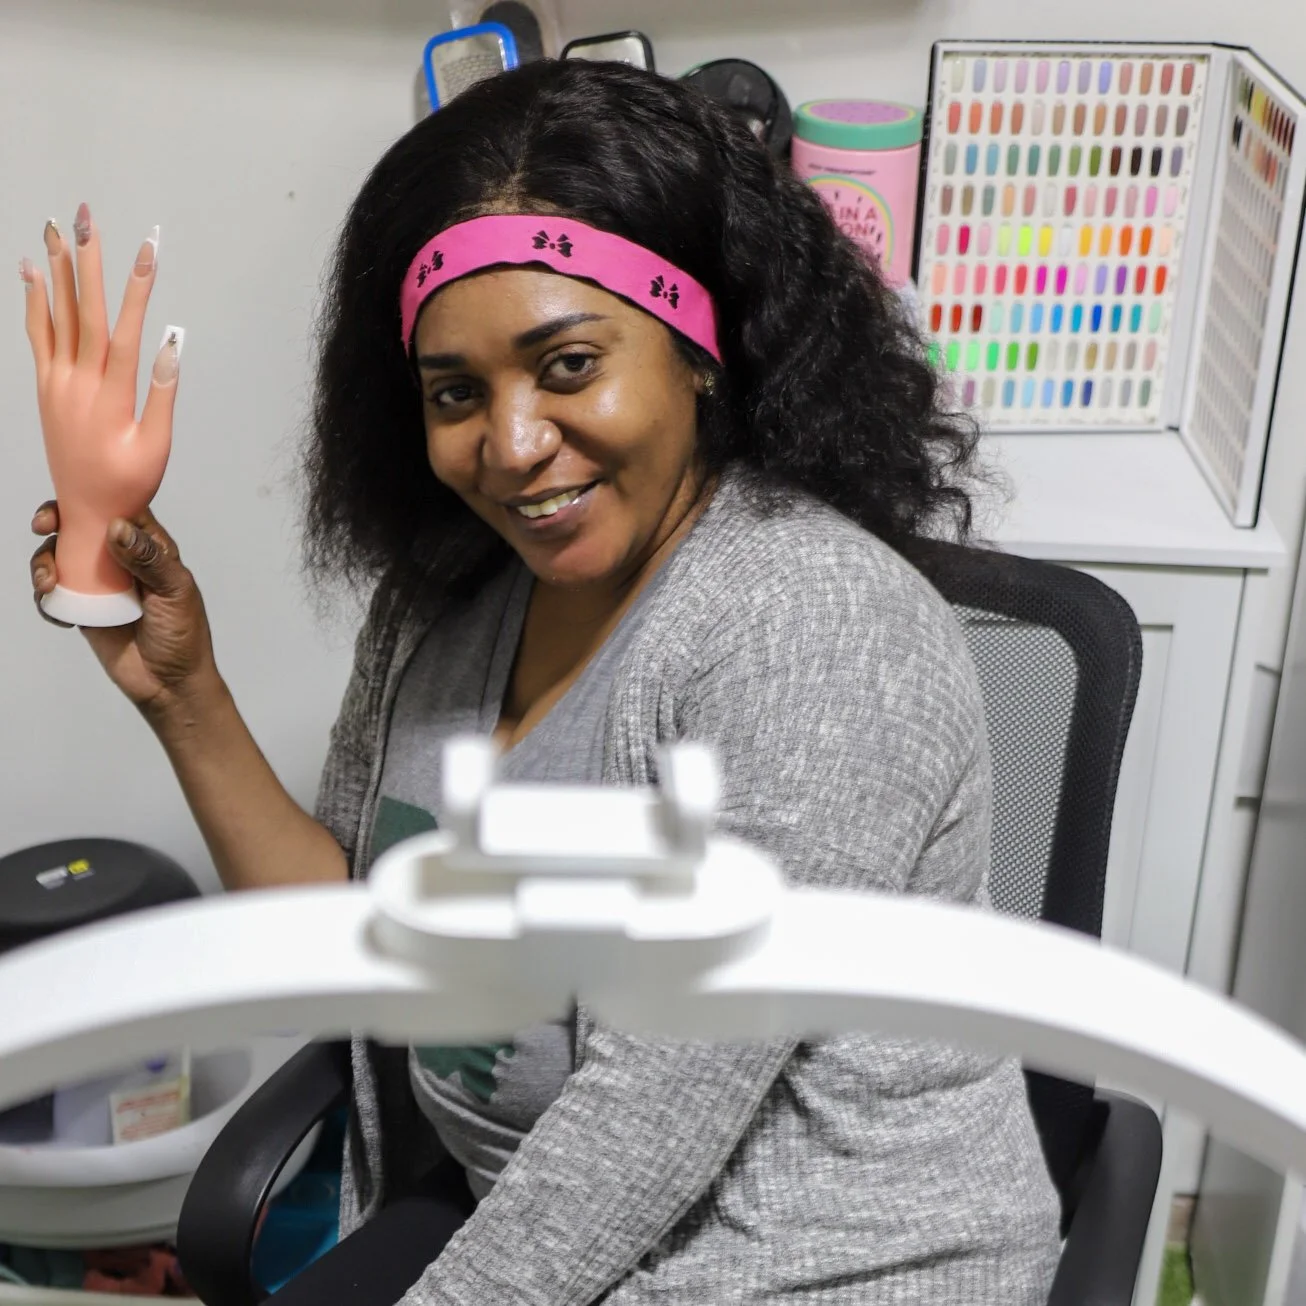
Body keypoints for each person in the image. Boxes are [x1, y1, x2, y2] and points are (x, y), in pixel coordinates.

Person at [24, 59, 1061, 1305]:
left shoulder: (813, 627)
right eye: (456, 392)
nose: (510, 447)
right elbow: (347, 945)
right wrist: (180, 692)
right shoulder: (446, 603)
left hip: (817, 1273)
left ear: (698, 350)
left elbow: (644, 1126)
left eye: (567, 364)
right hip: (522, 1232)